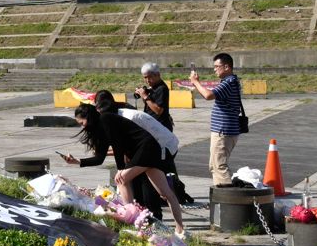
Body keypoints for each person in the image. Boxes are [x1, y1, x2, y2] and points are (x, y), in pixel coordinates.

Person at [60, 103, 185, 235]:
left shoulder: (105, 119)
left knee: (121, 180)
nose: (82, 126)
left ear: (89, 117)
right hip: (143, 151)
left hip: (146, 148)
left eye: (82, 122)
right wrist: (76, 161)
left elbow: (117, 145)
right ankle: (179, 228)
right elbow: (99, 158)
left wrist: (121, 169)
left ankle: (131, 222)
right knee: (165, 192)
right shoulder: (99, 129)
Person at [135, 63, 195, 205]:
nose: (147, 81)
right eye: (145, 78)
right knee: (164, 164)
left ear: (157, 75)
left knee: (164, 163)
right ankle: (171, 191)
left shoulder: (161, 88)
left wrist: (145, 96)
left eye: (150, 77)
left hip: (160, 132)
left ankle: (175, 192)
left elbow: (158, 110)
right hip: (153, 130)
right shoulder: (153, 88)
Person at [186, 53, 243, 188]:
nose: (214, 69)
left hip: (223, 131)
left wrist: (195, 82)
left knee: (220, 166)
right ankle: (220, 196)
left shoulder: (229, 83)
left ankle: (228, 198)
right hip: (224, 130)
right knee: (215, 165)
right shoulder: (230, 81)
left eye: (217, 66)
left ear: (227, 67)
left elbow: (208, 95)